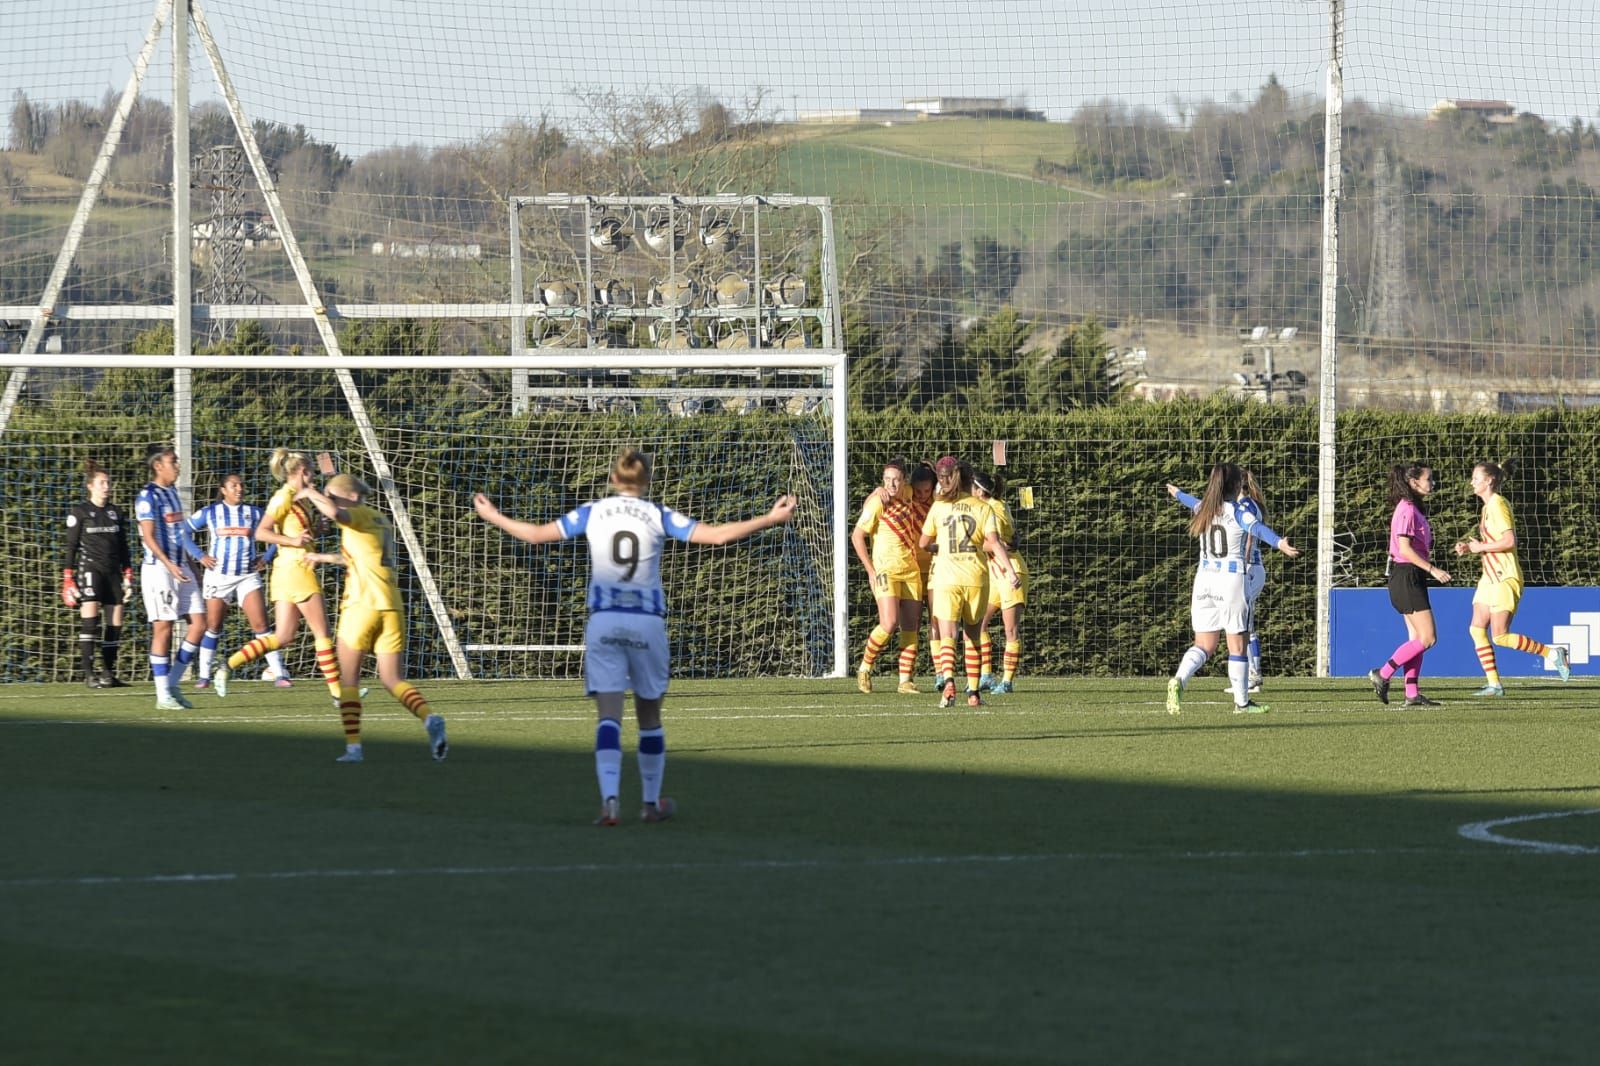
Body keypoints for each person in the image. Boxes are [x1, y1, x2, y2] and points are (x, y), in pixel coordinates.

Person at [473, 447, 796, 825]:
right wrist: (770, 518)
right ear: (648, 480)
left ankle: (610, 801)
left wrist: (493, 516)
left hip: (605, 621)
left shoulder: (592, 511)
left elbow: (534, 536)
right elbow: (717, 537)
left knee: (609, 717)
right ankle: (650, 803)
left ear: (614, 479)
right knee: (649, 717)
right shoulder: (657, 514)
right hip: (645, 622)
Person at [295, 473, 447, 764]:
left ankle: (354, 749)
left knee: (348, 681)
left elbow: (335, 512)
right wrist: (322, 558)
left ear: (352, 497)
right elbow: (357, 557)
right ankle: (429, 718)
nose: (329, 501)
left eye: (333, 496)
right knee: (392, 679)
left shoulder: (357, 514)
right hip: (391, 606)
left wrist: (309, 492)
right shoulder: (380, 520)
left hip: (361, 605)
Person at [1165, 463, 1299, 716]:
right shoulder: (1237, 512)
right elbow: (1257, 528)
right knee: (1237, 645)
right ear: (1237, 485)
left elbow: (1190, 501)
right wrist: (1279, 543)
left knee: (1203, 645)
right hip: (1231, 581)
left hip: (1204, 581)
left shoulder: (1204, 509)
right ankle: (1242, 703)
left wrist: (1177, 493)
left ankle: (1179, 679)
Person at [212, 449, 343, 700]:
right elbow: (261, 532)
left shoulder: (300, 498)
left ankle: (227, 665)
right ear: (302, 471)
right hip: (298, 569)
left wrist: (317, 529)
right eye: (311, 472)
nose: (314, 476)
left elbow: (300, 534)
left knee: (283, 637)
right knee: (322, 633)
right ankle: (339, 694)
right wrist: (293, 541)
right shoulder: (283, 497)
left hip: (286, 572)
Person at [1455, 460, 1571, 694]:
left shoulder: (1498, 505)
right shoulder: (1487, 507)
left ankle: (1552, 653)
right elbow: (1494, 542)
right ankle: (1494, 684)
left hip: (1504, 576)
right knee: (1476, 629)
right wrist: (1470, 548)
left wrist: (1480, 548)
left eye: (1476, 478)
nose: (1472, 482)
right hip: (1489, 578)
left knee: (1500, 636)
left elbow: (1509, 541)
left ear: (1489, 481)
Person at [918, 456, 1020, 710]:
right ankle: (973, 693)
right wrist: (1010, 572)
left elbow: (923, 543)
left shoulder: (939, 507)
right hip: (975, 578)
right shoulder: (983, 508)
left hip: (946, 578)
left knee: (948, 634)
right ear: (969, 481)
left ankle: (949, 681)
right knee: (972, 635)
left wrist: (939, 547)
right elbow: (994, 542)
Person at [1169, 469, 1269, 695]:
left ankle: (1253, 677)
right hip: (1236, 572)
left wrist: (1249, 559)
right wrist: (1179, 494)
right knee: (1241, 626)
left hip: (1248, 569)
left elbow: (1251, 533)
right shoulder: (1231, 507)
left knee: (1242, 627)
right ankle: (1249, 680)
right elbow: (1197, 504)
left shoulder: (1246, 507)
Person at [185, 473, 279, 690]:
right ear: (223, 490)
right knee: (213, 626)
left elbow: (276, 533)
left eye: (241, 485)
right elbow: (184, 533)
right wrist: (199, 555)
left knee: (261, 625)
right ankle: (204, 676)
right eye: (233, 485)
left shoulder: (254, 512)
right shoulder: (210, 512)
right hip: (218, 576)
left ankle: (280, 673)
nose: (239, 489)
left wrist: (266, 557)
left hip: (247, 576)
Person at [1367, 462, 1449, 708]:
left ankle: (1412, 693)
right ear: (1414, 482)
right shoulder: (1407, 510)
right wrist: (1433, 569)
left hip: (1411, 576)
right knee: (1428, 638)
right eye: (1428, 479)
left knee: (1416, 638)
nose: (1432, 483)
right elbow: (1404, 549)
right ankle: (1383, 673)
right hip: (1406, 576)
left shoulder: (1413, 508)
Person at [135, 446, 207, 710]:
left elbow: (179, 535)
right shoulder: (148, 496)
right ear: (158, 466)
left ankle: (173, 683)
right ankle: (162, 695)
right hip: (159, 570)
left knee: (199, 624)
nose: (177, 465)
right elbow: (148, 536)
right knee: (163, 627)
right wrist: (169, 564)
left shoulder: (173, 493)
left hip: (181, 566)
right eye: (172, 461)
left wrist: (192, 566)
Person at [851, 457, 928, 695]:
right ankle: (865, 668)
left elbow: (930, 483)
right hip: (885, 571)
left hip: (910, 570)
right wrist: (870, 570)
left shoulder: (909, 493)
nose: (891, 484)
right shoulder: (878, 502)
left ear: (904, 480)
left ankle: (905, 680)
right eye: (887, 480)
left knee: (911, 626)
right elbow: (857, 536)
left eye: (895, 479)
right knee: (889, 622)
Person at [61, 460, 133, 688]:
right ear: (90, 486)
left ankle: (108, 674)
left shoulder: (116, 512)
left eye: (108, 483)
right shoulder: (80, 512)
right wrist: (68, 578)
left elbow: (123, 546)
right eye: (102, 483)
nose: (106, 487)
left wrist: (128, 573)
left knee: (115, 623)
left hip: (113, 574)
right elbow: (71, 547)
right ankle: (89, 675)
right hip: (90, 571)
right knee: (90, 622)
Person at [972, 469, 1026, 695]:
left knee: (1010, 629)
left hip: (1011, 571)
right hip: (995, 573)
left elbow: (1001, 543)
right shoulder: (989, 506)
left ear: (978, 491)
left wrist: (970, 544)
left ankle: (1006, 682)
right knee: (979, 623)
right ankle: (986, 675)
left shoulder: (994, 508)